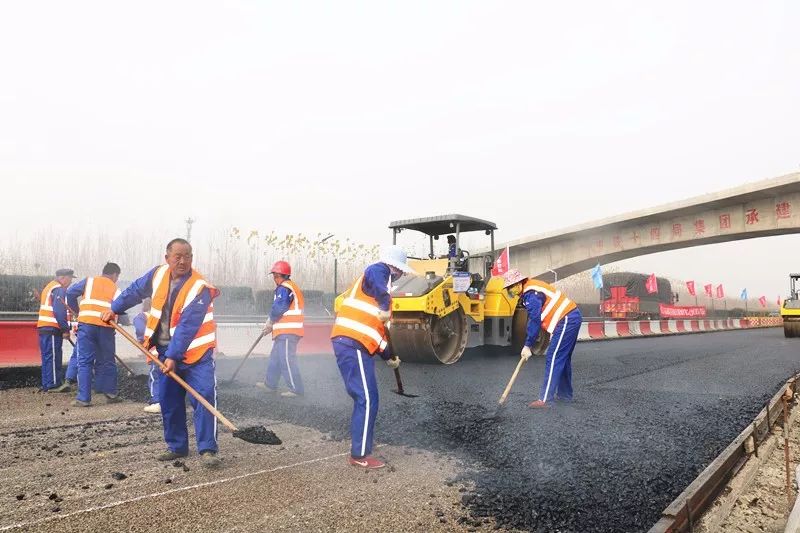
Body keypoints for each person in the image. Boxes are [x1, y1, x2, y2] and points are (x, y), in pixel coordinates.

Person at [104, 238, 221, 467]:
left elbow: (187, 327)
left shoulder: (200, 288)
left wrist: (173, 357)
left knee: (204, 396)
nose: (182, 261)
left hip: (196, 355)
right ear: (166, 257)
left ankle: (208, 449)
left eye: (187, 256)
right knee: (169, 400)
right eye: (177, 256)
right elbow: (134, 291)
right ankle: (177, 447)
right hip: (166, 350)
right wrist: (114, 309)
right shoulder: (157, 275)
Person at [330, 245, 410, 469]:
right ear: (395, 267)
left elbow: (379, 333)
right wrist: (384, 304)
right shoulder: (378, 270)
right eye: (401, 271)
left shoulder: (385, 295)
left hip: (357, 344)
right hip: (352, 343)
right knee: (366, 398)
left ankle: (361, 449)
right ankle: (359, 455)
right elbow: (374, 275)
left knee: (368, 397)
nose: (401, 275)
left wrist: (388, 356)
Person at [502, 269, 582, 408]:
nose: (510, 290)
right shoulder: (531, 288)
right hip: (571, 317)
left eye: (511, 287)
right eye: (508, 288)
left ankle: (545, 400)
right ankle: (565, 395)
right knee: (562, 358)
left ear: (519, 283)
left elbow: (534, 319)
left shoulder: (531, 293)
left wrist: (528, 345)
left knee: (554, 357)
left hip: (567, 319)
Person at [67, 263, 122, 407]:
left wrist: (77, 311)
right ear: (115, 275)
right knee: (108, 360)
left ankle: (84, 398)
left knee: (84, 361)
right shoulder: (115, 288)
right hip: (106, 327)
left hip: (87, 325)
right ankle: (110, 393)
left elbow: (70, 293)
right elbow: (121, 307)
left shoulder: (89, 281)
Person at [258, 261, 305, 397]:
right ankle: (270, 384)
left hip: (288, 332)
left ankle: (296, 389)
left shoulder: (285, 287)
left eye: (275, 276)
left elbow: (279, 307)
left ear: (280, 275)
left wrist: (270, 321)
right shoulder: (288, 287)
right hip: (283, 331)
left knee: (286, 358)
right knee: (276, 358)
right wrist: (271, 325)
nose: (274, 279)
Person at [36, 268, 75, 391]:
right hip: (52, 327)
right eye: (70, 279)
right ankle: (54, 384)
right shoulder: (58, 289)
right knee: (53, 356)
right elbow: (59, 311)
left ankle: (47, 383)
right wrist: (65, 329)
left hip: (45, 327)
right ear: (63, 278)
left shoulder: (49, 287)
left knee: (47, 356)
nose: (70, 282)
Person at [134, 298, 161, 413]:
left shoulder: (142, 316)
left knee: (155, 377)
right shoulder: (164, 315)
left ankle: (157, 402)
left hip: (156, 353)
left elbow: (141, 332)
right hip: (171, 352)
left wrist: (143, 342)